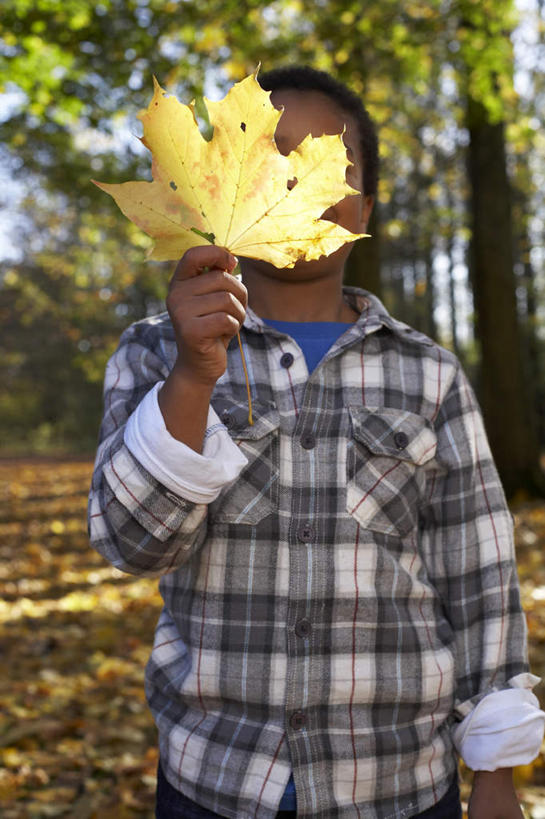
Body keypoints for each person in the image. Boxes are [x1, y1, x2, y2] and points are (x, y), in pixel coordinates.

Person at [88, 66, 544, 819]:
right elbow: (131, 544)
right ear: (214, 187)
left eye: (328, 162)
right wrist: (193, 376)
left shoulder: (425, 372)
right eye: (272, 156)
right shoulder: (153, 353)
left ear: (363, 202)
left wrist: (495, 765)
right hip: (216, 779)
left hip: (397, 782)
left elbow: (479, 574)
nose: (297, 181)